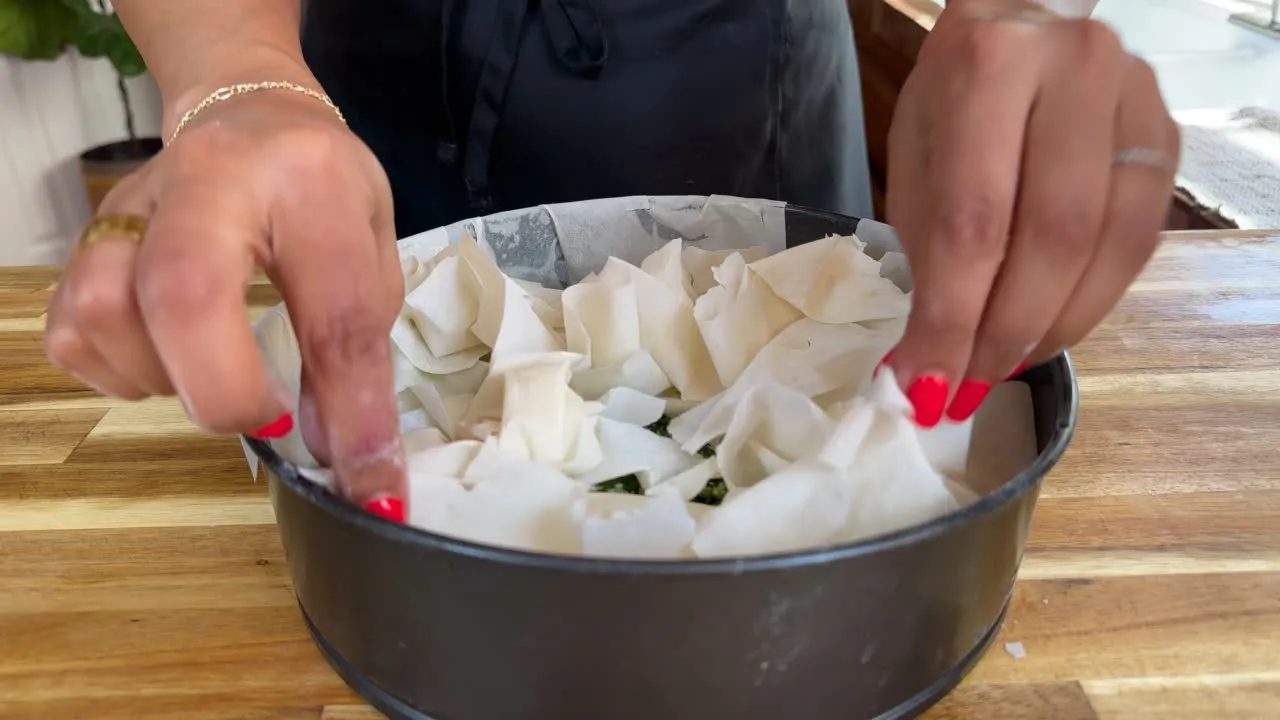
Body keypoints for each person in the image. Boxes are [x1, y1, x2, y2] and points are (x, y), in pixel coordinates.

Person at [44, 0, 1179, 517]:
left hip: (734, 79)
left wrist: (1015, 9)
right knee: (377, 368)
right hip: (357, 90)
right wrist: (234, 69)